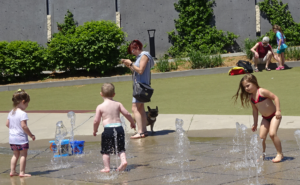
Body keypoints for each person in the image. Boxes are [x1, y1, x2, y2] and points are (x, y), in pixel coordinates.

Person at [233, 74, 283, 163]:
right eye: (245, 87)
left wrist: (278, 110)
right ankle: (262, 155)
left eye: (248, 85)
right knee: (261, 138)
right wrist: (255, 123)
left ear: (255, 83)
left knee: (272, 134)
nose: (246, 88)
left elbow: (275, 97)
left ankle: (280, 153)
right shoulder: (251, 97)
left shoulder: (262, 91)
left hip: (275, 116)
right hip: (265, 118)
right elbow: (255, 110)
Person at [93, 83, 136, 173]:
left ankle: (106, 168)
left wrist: (95, 130)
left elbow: (96, 121)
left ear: (101, 94)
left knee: (105, 150)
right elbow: (127, 113)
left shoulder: (100, 107)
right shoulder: (118, 104)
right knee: (120, 148)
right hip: (119, 128)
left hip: (108, 130)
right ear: (114, 94)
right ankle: (123, 161)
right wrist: (132, 122)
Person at [121, 40, 154, 139]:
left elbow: (140, 70)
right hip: (140, 86)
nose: (132, 52)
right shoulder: (140, 57)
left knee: (134, 108)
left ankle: (140, 132)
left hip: (141, 87)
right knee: (140, 109)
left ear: (137, 47)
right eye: (131, 51)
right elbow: (136, 71)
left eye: (133, 50)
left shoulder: (144, 55)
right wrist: (129, 66)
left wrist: (131, 63)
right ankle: (144, 131)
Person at [6, 89, 35, 177]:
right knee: (23, 155)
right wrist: (31, 135)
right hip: (21, 138)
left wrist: (14, 129)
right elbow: (24, 126)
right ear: (23, 102)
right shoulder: (23, 113)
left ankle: (12, 171)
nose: (27, 105)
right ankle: (22, 172)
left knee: (15, 155)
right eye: (27, 103)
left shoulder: (11, 112)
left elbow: (7, 124)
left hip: (12, 138)